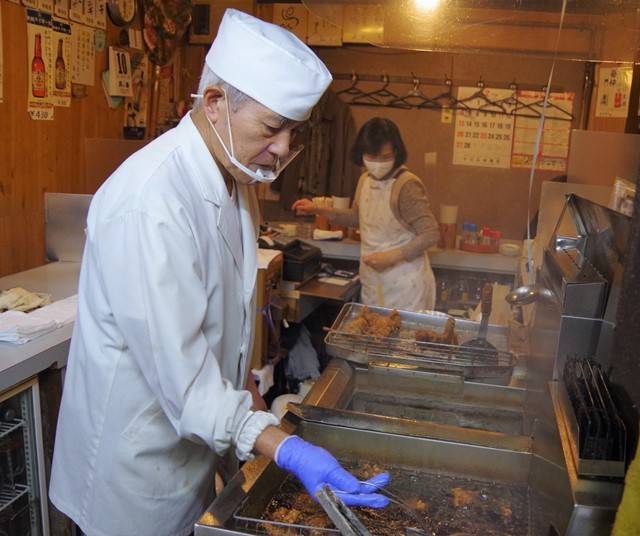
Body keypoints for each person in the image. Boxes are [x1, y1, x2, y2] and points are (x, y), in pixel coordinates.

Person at [49, 11, 388, 536]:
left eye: (291, 131)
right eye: (272, 128)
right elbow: (184, 383)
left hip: (189, 458)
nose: (282, 148)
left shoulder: (235, 182)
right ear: (214, 104)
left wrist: (256, 409)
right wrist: (284, 448)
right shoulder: (151, 202)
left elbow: (221, 334)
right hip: (131, 475)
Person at [293, 118, 439, 311]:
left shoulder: (407, 185)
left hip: (406, 286)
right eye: (371, 157)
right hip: (373, 281)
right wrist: (318, 209)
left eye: (384, 156)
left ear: (396, 152)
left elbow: (431, 234)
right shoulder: (364, 180)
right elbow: (357, 218)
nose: (378, 163)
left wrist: (392, 257)